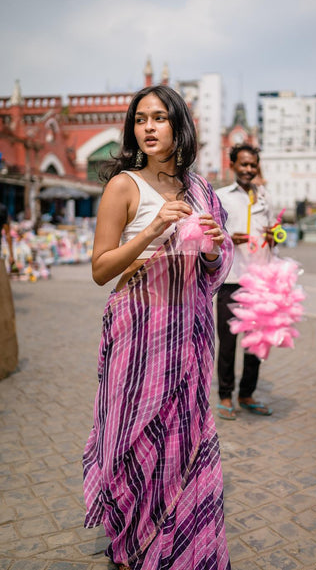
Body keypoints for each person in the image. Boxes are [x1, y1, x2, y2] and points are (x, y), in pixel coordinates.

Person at [82, 85, 233, 570]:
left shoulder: (201, 190)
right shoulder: (124, 186)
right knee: (131, 439)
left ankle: (180, 545)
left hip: (188, 333)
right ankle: (131, 543)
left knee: (182, 438)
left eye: (159, 118)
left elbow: (217, 262)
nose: (147, 127)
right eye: (140, 119)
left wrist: (211, 248)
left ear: (178, 126)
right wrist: (152, 230)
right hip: (138, 334)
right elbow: (101, 269)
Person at [216, 144, 275, 421]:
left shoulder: (265, 198)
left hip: (260, 281)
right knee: (227, 343)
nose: (249, 170)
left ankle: (247, 394)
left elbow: (272, 234)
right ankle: (225, 396)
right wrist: (228, 238)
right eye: (244, 164)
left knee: (255, 344)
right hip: (230, 279)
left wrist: (274, 237)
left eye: (253, 165)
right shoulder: (221, 197)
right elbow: (209, 236)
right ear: (233, 165)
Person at [0, 202, 16, 268]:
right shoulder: (2, 208)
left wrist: (11, 255)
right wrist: (11, 255)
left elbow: (7, 234)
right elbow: (8, 234)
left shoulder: (2, 209)